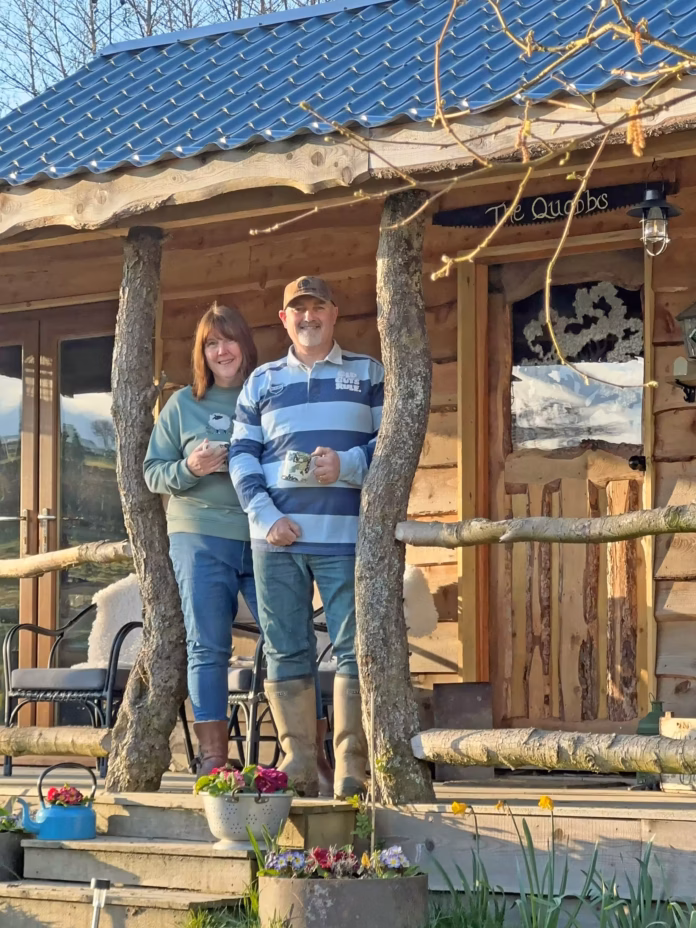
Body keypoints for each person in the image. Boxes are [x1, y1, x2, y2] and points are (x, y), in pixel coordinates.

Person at [143, 302, 334, 788]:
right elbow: (151, 473)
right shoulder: (182, 405)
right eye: (211, 343)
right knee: (208, 645)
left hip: (263, 536)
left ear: (245, 347)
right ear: (201, 353)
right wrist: (191, 468)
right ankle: (213, 760)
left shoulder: (269, 394)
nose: (221, 350)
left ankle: (310, 753)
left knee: (290, 639)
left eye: (228, 340)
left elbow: (294, 462)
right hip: (200, 535)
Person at [230, 276, 384, 798]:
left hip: (347, 540)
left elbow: (393, 445)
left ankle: (350, 770)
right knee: (286, 650)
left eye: (317, 307)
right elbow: (241, 457)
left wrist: (346, 465)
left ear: (335, 313)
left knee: (355, 651)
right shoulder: (260, 382)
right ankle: (298, 765)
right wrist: (266, 516)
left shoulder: (368, 374)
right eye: (298, 310)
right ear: (283, 319)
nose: (308, 317)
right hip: (276, 541)